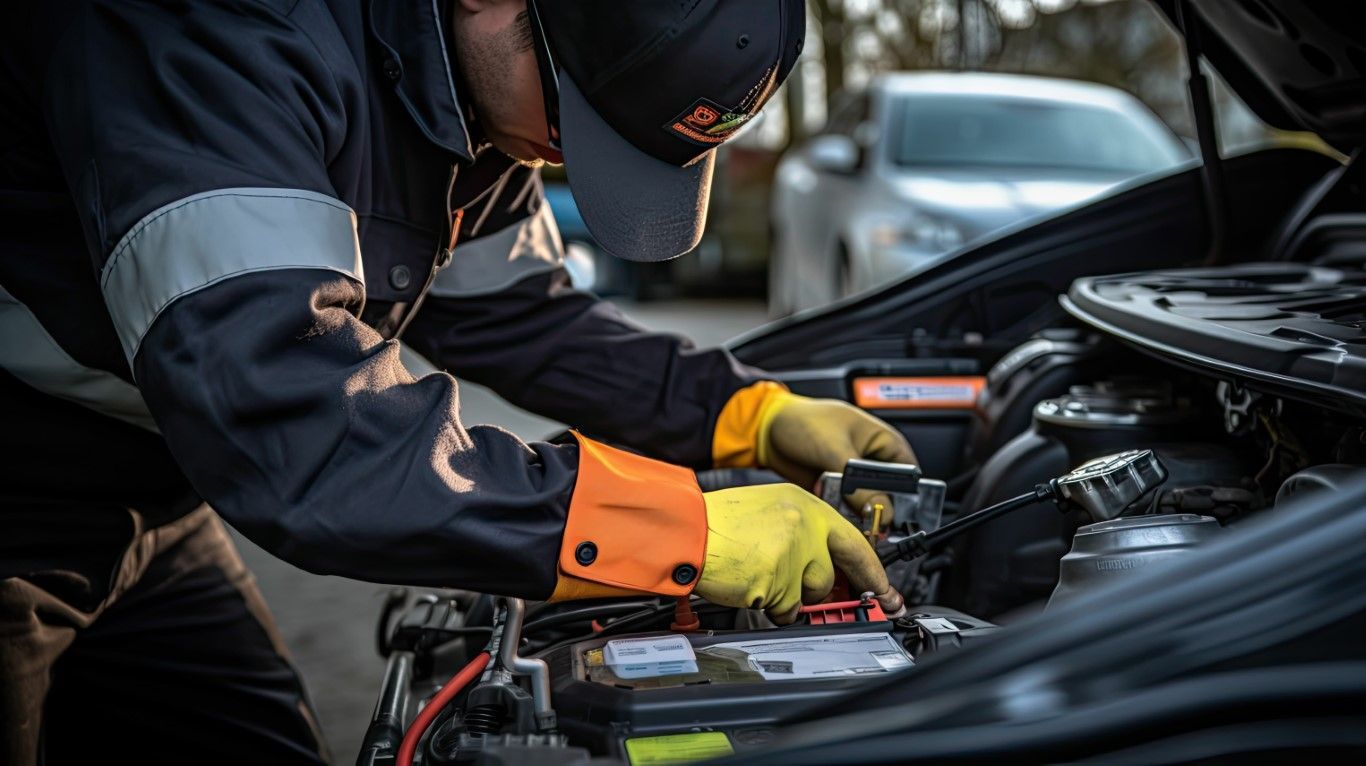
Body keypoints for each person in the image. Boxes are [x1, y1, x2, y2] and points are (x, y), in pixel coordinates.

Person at [0, 1, 917, 762]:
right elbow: (299, 420)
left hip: (159, 501)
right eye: (574, 126)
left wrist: (749, 412)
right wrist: (678, 529)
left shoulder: (477, 105)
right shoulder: (218, 34)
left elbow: (523, 315)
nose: (558, 159)